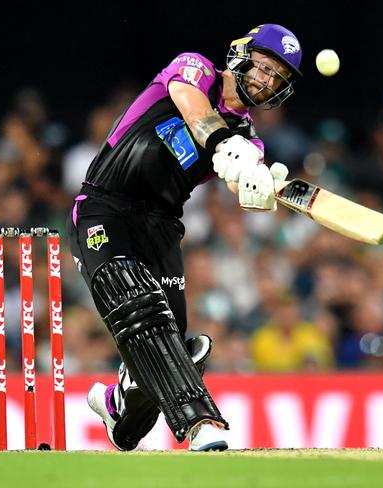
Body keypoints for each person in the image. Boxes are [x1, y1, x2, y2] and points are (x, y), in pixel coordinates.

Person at [67, 23, 302, 451]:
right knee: (141, 311)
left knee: (165, 343)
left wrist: (258, 186)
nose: (266, 82)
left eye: (277, 79)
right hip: (106, 206)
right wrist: (227, 145)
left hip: (162, 226)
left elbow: (237, 182)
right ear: (242, 55)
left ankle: (118, 405)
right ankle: (200, 423)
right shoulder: (196, 69)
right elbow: (194, 110)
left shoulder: (249, 141)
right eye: (264, 67)